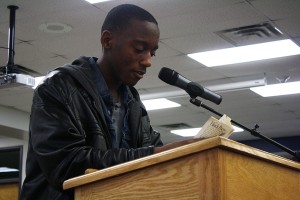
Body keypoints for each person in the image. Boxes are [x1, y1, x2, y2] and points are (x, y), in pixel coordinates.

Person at [21, 4, 201, 200]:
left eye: (152, 52)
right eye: (140, 49)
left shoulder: (133, 102)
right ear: (107, 40)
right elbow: (66, 166)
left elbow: (153, 151)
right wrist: (153, 154)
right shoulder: (58, 87)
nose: (148, 61)